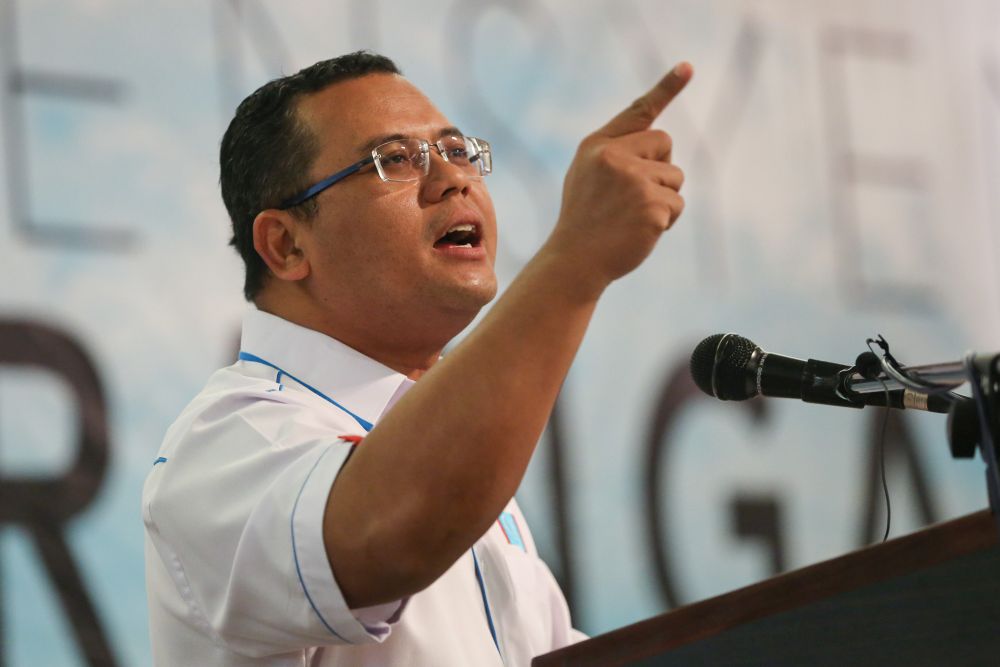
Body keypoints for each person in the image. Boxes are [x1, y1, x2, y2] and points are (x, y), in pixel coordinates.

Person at [143, 50, 690, 666]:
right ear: (287, 243)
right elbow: (391, 539)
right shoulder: (229, 442)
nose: (453, 179)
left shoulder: (450, 455)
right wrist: (576, 261)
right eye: (396, 160)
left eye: (458, 151)